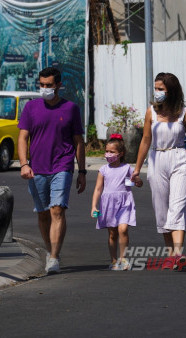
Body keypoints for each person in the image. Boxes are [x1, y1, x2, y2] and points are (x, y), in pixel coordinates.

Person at [131, 72, 186, 271]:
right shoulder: (151, 112)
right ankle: (169, 253)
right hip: (157, 160)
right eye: (156, 89)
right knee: (162, 208)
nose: (157, 93)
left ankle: (178, 253)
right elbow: (146, 140)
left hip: (179, 159)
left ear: (171, 91)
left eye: (161, 89)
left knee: (178, 206)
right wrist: (137, 169)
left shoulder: (185, 113)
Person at [18, 67, 86, 274]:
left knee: (57, 209)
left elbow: (78, 142)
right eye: (42, 85)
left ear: (58, 85)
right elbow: (22, 138)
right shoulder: (31, 108)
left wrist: (81, 171)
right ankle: (49, 250)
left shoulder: (71, 108)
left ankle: (54, 257)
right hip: (37, 168)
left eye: (49, 85)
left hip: (62, 166)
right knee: (43, 214)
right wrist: (24, 164)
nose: (45, 88)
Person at [91, 134, 143, 270]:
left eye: (112, 152)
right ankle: (114, 260)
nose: (108, 154)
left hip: (124, 202)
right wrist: (93, 207)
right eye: (107, 151)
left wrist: (137, 181)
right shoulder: (103, 170)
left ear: (120, 154)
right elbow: (98, 189)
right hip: (108, 204)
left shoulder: (127, 168)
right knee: (112, 233)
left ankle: (123, 258)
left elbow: (135, 183)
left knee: (123, 229)